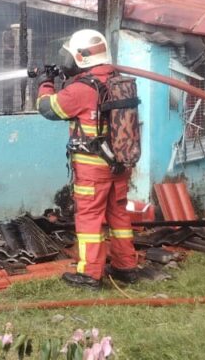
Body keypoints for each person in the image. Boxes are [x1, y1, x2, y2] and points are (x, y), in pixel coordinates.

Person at [36, 29, 138, 289]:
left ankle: (90, 274)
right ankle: (125, 266)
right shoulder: (118, 81)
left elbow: (48, 108)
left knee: (90, 219)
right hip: (120, 164)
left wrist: (46, 82)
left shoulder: (81, 90)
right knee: (119, 216)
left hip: (92, 169)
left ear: (80, 57)